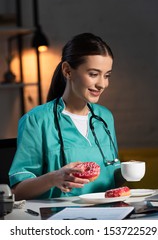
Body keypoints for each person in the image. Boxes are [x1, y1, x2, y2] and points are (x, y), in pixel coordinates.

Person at [9, 33, 122, 201]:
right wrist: (54, 178)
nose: (102, 84)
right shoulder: (37, 120)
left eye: (107, 75)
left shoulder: (105, 117)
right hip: (59, 218)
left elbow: (114, 179)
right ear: (67, 71)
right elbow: (17, 191)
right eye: (93, 74)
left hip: (112, 215)